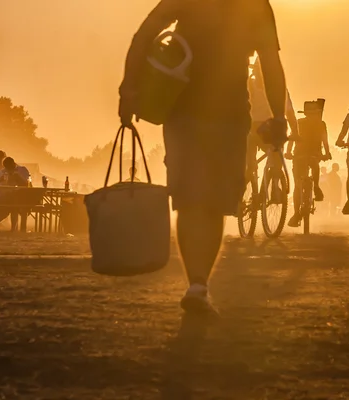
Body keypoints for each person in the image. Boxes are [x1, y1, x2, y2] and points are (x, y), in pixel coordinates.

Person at [118, 0, 288, 315]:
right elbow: (270, 62)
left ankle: (197, 284)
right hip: (210, 114)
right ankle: (198, 285)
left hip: (205, 114)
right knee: (202, 203)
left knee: (197, 201)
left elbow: (143, 35)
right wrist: (278, 115)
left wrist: (129, 89)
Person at [246, 56, 298, 180]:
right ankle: (274, 178)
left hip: (252, 128)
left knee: (249, 162)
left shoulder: (249, 86)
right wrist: (295, 132)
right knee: (276, 157)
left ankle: (249, 176)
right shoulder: (278, 90)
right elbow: (289, 113)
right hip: (271, 128)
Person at [286, 100, 331, 227]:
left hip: (306, 154)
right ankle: (315, 188)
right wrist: (326, 154)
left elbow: (324, 140)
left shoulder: (302, 123)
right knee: (298, 185)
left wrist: (289, 152)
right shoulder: (320, 124)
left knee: (299, 183)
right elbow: (324, 140)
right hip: (303, 154)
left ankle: (315, 187)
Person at [0, 157, 32, 232]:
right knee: (7, 207)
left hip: (22, 196)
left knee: (16, 206)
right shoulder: (3, 172)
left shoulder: (22, 170)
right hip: (6, 197)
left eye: (10, 167)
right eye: (7, 168)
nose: (9, 169)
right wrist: (1, 180)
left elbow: (27, 184)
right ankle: (14, 228)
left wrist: (18, 177)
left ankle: (20, 228)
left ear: (13, 164)